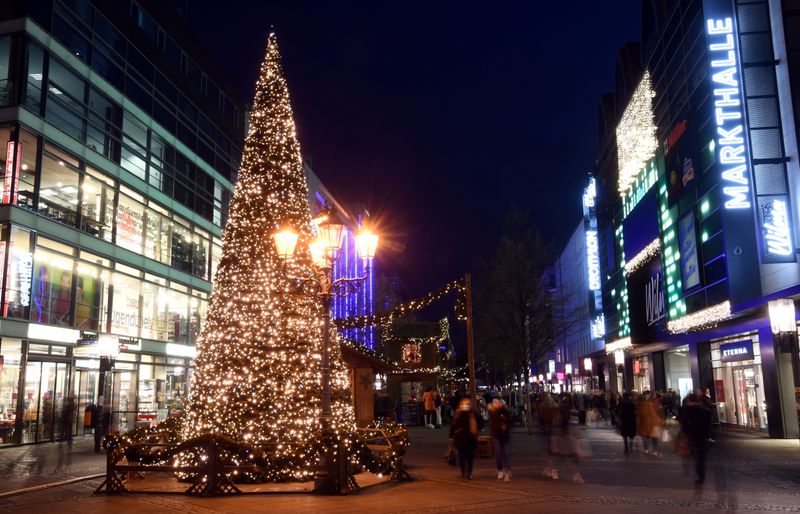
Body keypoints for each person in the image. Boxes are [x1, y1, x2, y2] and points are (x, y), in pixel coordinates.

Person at [682, 390, 712, 485]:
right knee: (700, 456)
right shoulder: (705, 411)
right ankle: (701, 475)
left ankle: (697, 474)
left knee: (695, 455)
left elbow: (685, 423)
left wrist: (685, 433)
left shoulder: (688, 411)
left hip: (693, 436)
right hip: (702, 436)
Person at [449, 397, 479, 480]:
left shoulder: (473, 413)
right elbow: (453, 426)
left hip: (471, 438)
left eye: (468, 404)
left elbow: (480, 422)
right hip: (460, 439)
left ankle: (469, 472)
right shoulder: (458, 414)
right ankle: (463, 470)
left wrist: (476, 429)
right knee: (461, 456)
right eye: (464, 404)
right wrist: (451, 436)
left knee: (470, 457)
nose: (466, 406)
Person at [488, 397, 512, 481]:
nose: (497, 404)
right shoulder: (492, 412)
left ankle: (507, 470)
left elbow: (510, 421)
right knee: (498, 452)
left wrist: (506, 427)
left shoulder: (506, 411)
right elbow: (492, 423)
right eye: (495, 403)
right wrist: (500, 427)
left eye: (498, 403)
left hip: (505, 435)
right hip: (496, 435)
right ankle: (500, 469)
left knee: (506, 452)